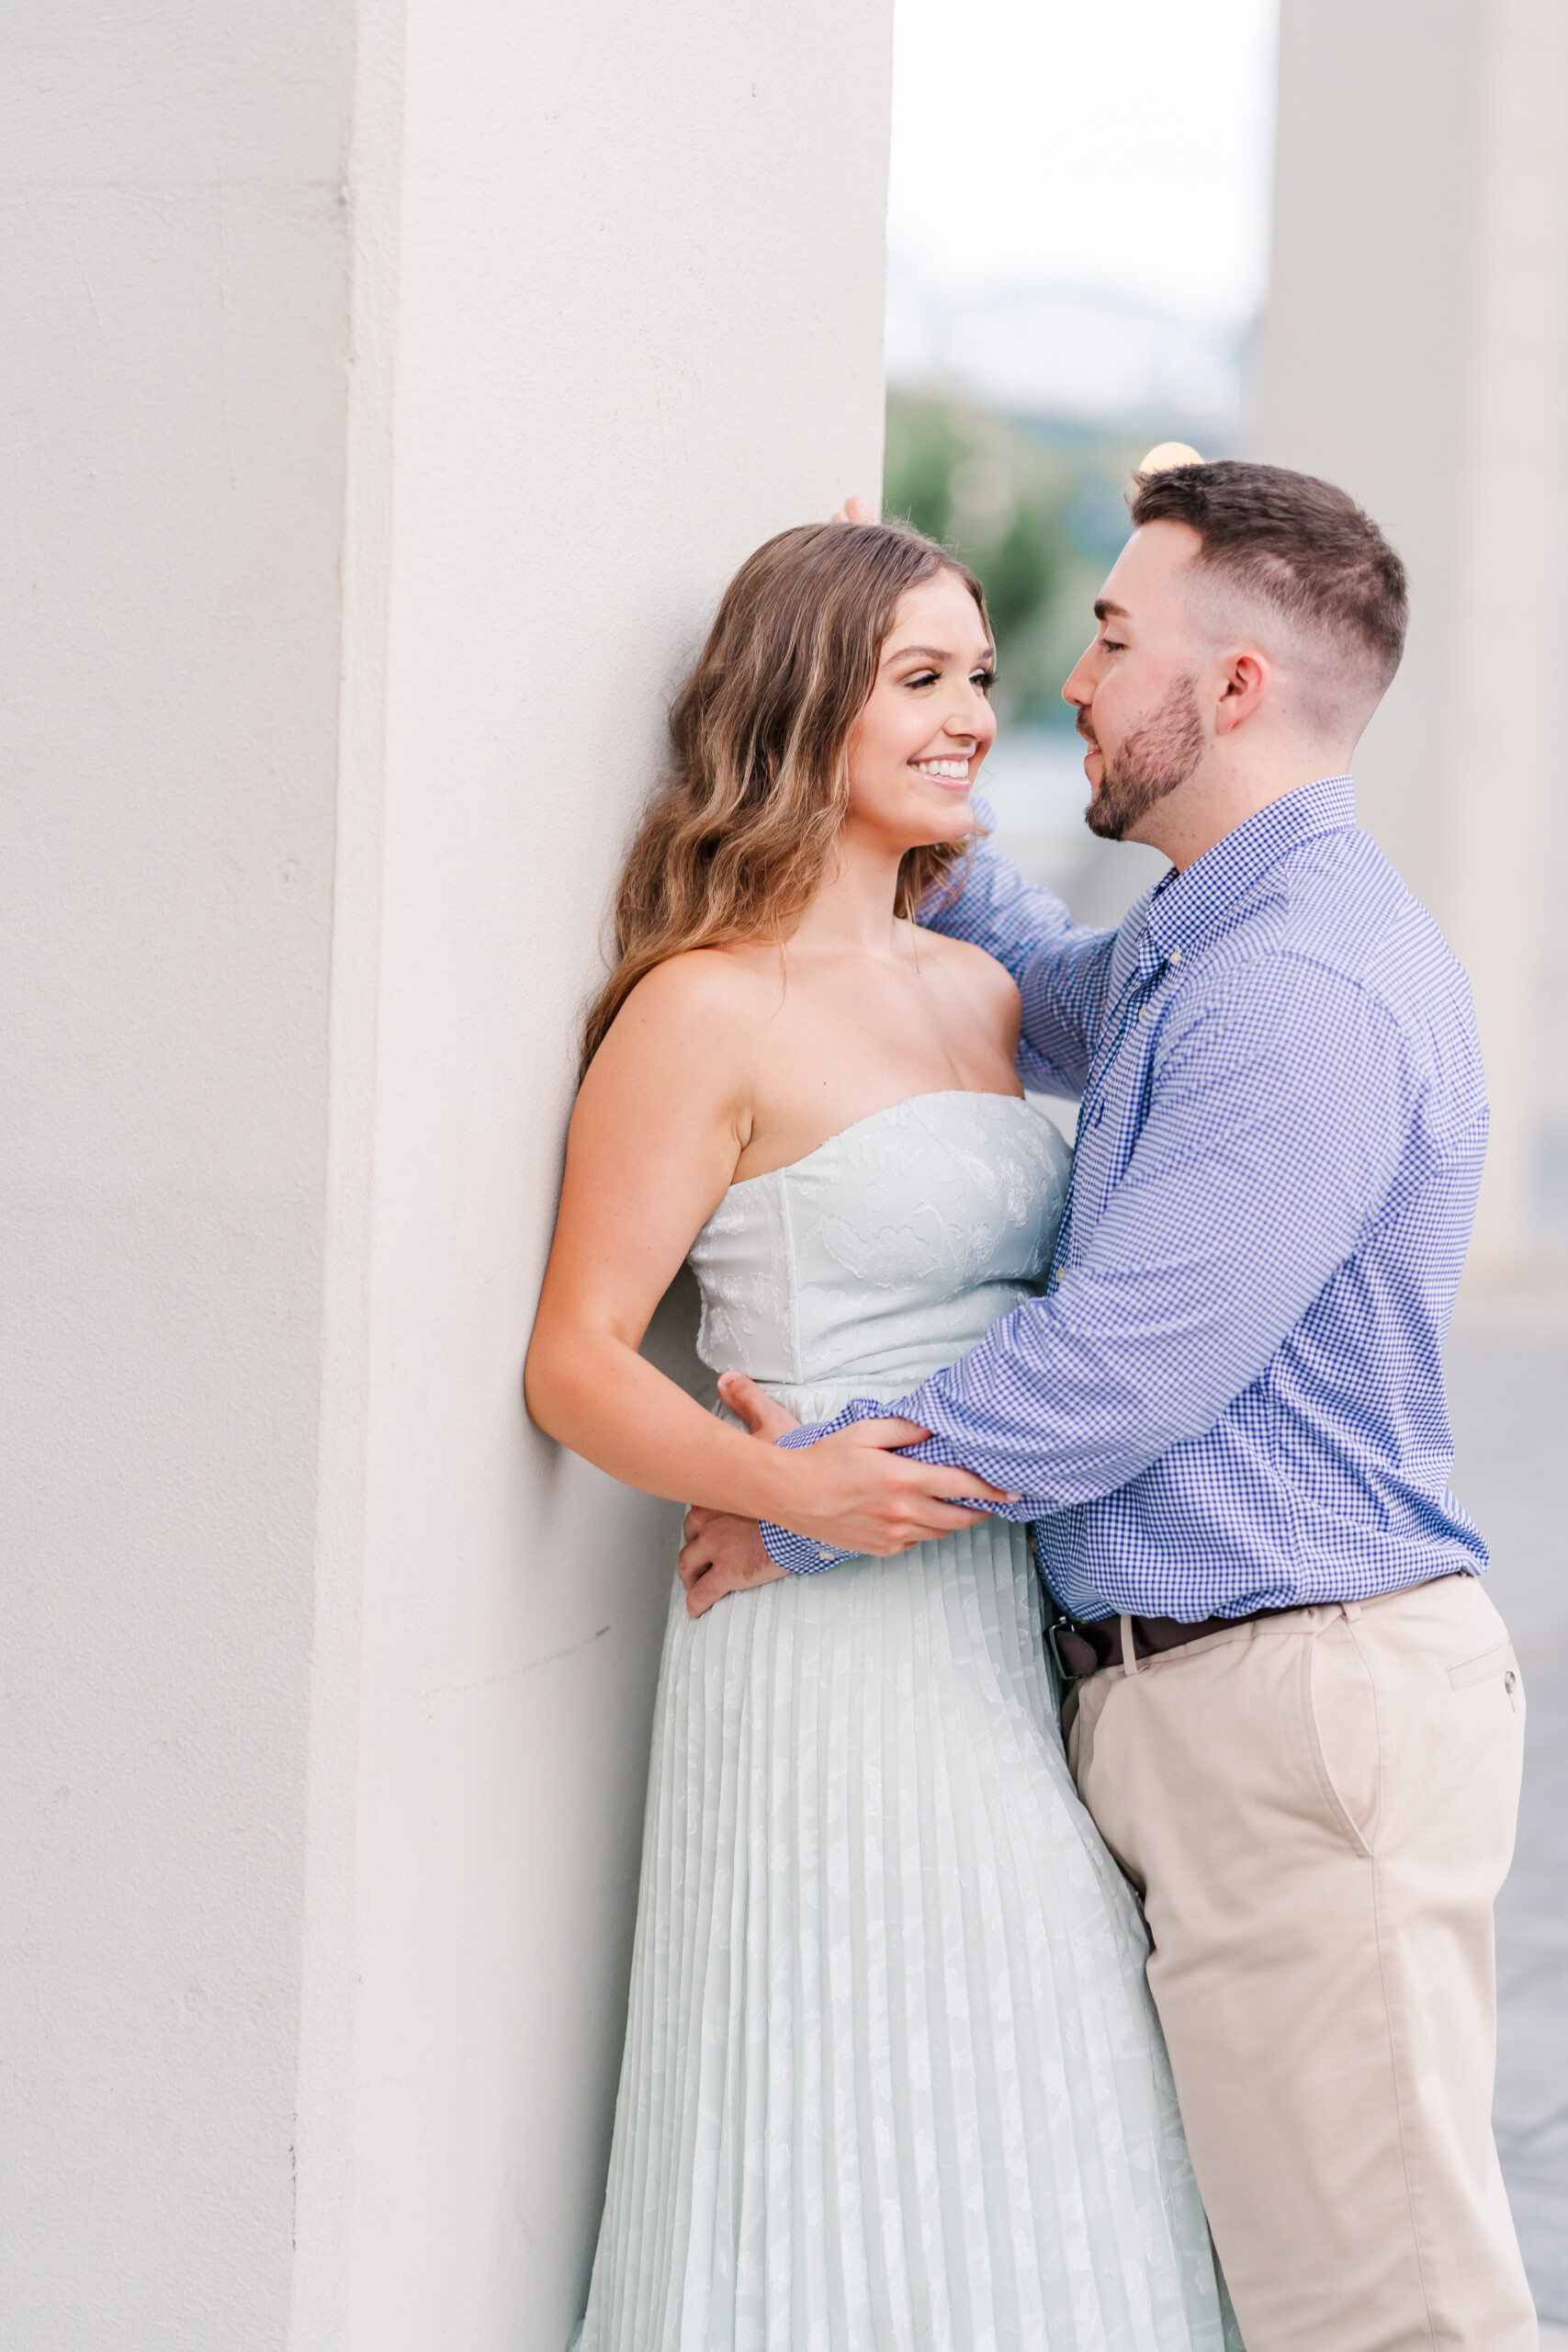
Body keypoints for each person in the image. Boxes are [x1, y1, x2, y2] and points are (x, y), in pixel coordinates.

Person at [684, 462, 1536, 2352]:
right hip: (1231, 1699)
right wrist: (890, 751)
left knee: (1380, 2306)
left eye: (1109, 636)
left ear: (1229, 691)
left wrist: (797, 1491)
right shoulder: (1206, 937)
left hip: (1293, 1711)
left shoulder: (1299, 985)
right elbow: (1045, 996)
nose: (1059, 681)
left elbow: (1109, 1374)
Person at [526, 520, 1238, 2348]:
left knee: (1045, 2069)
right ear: (798, 705)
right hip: (815, 1650)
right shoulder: (703, 1006)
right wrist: (778, 1486)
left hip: (1000, 1619)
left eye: (975, 680)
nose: (963, 717)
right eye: (914, 679)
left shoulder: (985, 994)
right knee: (826, 2094)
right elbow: (577, 1359)